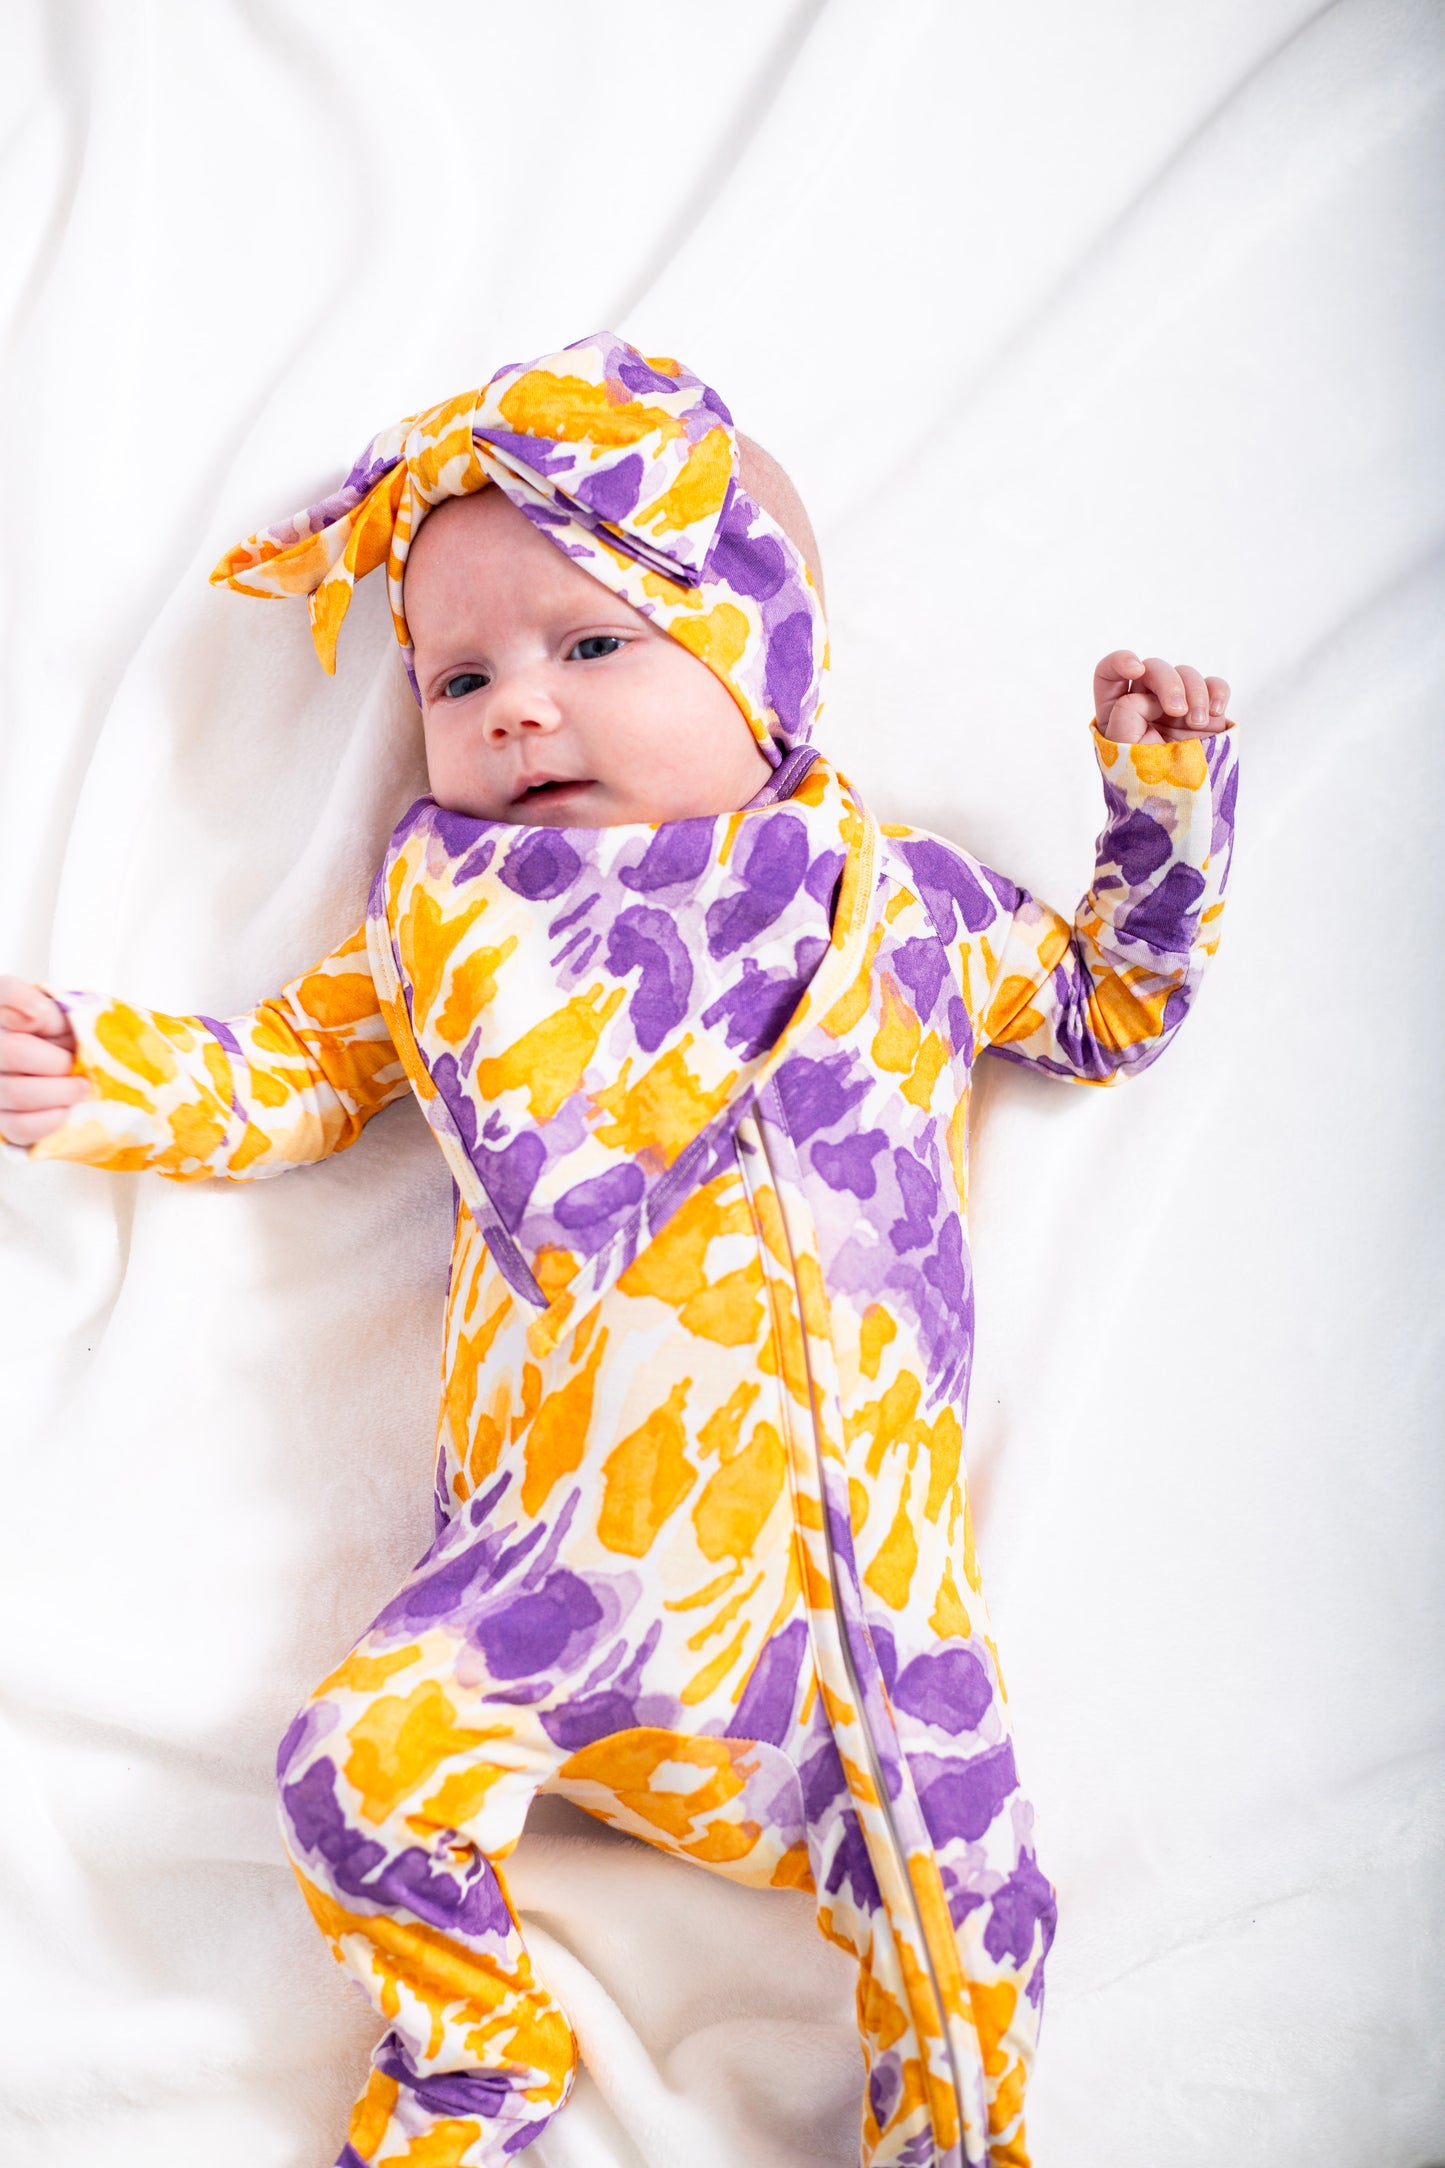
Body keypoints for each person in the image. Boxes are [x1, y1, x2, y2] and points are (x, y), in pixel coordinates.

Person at [0, 331, 1236, 2168]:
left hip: (847, 1623)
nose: (514, 706)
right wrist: (103, 1071)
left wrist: (1159, 810)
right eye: (460, 673)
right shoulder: (442, 928)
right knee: (347, 1773)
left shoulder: (902, 905)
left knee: (976, 1916)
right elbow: (293, 1078)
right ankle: (477, 2058)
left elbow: (1109, 1007)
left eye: (594, 644)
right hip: (540, 1598)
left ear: (763, 658)